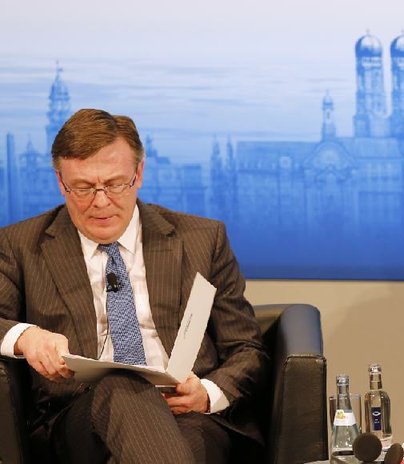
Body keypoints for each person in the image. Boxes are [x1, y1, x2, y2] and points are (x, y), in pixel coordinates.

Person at [0, 108, 268, 463]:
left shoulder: (202, 240)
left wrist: (205, 393)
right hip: (78, 421)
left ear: (138, 173)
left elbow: (246, 347)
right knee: (119, 385)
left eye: (113, 184)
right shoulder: (21, 245)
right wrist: (26, 336)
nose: (99, 201)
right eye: (82, 187)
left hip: (187, 415)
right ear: (60, 181)